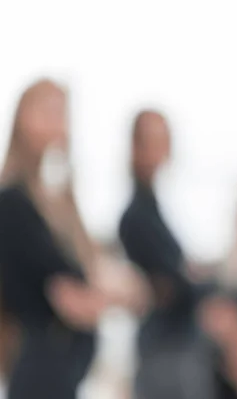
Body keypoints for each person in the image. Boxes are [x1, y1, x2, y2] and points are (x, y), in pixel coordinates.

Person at [119, 110, 237, 399]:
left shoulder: (151, 209)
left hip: (178, 344)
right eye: (152, 140)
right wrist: (205, 286)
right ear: (136, 147)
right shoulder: (136, 216)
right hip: (166, 347)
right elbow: (174, 284)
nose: (161, 148)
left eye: (164, 139)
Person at [0, 79, 113, 399]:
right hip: (41, 371)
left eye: (62, 113)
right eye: (47, 111)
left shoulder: (56, 203)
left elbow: (90, 273)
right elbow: (75, 300)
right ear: (22, 118)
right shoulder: (13, 202)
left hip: (65, 373)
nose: (57, 122)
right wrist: (118, 298)